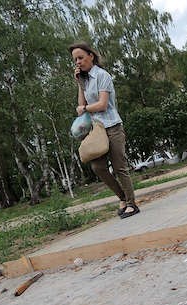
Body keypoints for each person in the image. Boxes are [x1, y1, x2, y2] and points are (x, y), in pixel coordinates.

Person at [69, 42, 139, 219]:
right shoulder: (84, 80)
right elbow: (81, 104)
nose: (78, 62)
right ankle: (122, 197)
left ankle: (132, 204)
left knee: (119, 167)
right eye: (75, 59)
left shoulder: (102, 75)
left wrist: (84, 109)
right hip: (98, 130)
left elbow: (102, 104)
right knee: (97, 167)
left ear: (91, 56)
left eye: (80, 58)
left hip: (113, 127)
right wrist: (79, 84)